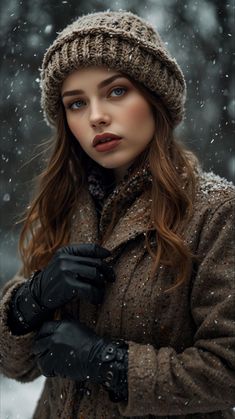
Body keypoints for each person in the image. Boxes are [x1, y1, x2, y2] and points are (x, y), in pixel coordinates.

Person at [0, 9, 234, 419]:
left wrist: (107, 361)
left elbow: (227, 369)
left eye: (116, 92)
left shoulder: (215, 212)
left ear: (154, 97)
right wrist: (29, 301)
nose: (95, 116)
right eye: (76, 103)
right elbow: (15, 364)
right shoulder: (63, 208)